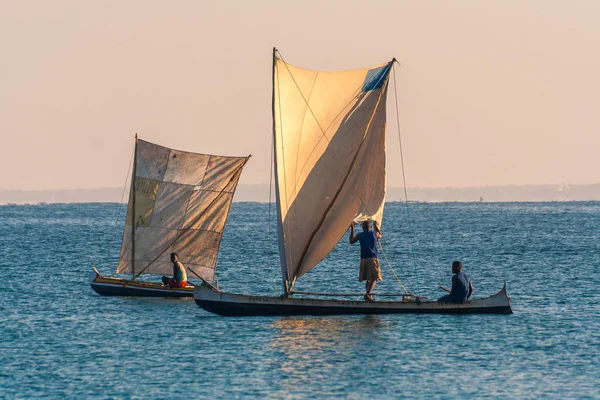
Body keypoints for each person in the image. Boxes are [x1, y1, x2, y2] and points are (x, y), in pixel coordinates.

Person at [349, 220, 383, 302]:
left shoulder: (360, 235)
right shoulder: (374, 234)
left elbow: (351, 241)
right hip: (372, 259)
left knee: (368, 279)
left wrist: (352, 229)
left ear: (362, 227)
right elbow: (380, 235)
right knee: (375, 278)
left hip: (363, 260)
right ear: (370, 227)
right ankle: (368, 294)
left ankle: (368, 295)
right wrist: (376, 226)